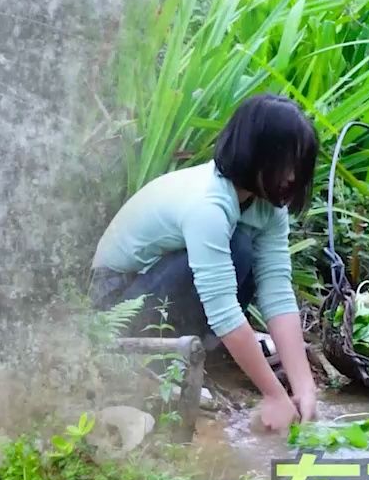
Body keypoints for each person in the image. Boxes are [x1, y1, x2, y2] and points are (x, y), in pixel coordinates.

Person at [91, 94, 320, 436]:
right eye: (283, 163)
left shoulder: (267, 206)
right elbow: (224, 311)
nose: (290, 176)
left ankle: (193, 359)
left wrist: (304, 387)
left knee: (243, 251)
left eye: (297, 166)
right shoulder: (208, 204)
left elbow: (277, 289)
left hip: (161, 290)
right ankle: (154, 368)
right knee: (239, 248)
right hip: (117, 300)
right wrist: (273, 394)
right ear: (255, 153)